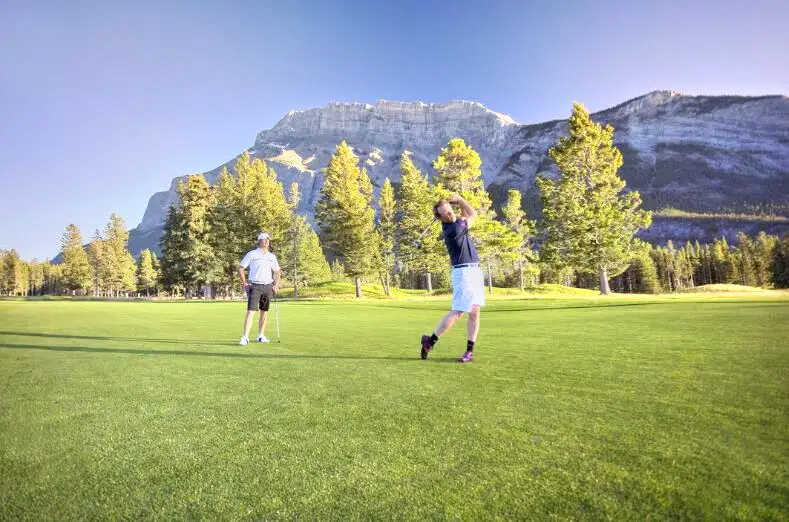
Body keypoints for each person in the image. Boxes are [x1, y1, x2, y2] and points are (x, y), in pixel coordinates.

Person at [421, 194, 484, 363]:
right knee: (459, 312)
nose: (450, 214)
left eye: (450, 210)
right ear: (441, 218)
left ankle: (469, 352)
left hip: (474, 271)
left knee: (475, 312)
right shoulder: (453, 229)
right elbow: (473, 215)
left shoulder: (456, 224)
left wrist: (458, 204)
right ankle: (430, 340)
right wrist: (461, 200)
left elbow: (463, 216)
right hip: (464, 273)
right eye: (446, 213)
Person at [238, 232, 281, 345]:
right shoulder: (252, 254)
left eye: (267, 239)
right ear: (259, 241)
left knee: (264, 312)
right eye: (263, 239)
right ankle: (245, 337)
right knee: (250, 312)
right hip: (255, 286)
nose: (266, 241)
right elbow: (241, 268)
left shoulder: (272, 256)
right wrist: (244, 283)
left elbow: (277, 271)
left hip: (268, 286)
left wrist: (276, 285)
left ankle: (261, 335)